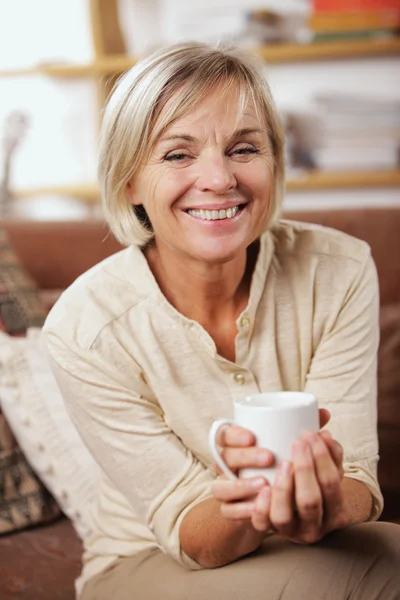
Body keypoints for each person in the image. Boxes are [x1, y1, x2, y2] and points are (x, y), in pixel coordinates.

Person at [43, 42, 400, 600]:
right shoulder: (85, 328)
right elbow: (192, 534)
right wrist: (255, 498)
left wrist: (328, 499)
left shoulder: (341, 270)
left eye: (244, 148)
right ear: (129, 181)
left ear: (274, 161)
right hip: (150, 565)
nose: (218, 179)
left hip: (311, 552)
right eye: (178, 155)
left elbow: (356, 479)